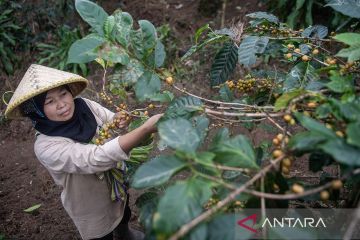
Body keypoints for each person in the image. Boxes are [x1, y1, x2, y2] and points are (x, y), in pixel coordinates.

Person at [4, 64, 162, 240]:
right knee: (102, 232)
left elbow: (108, 119)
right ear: (37, 110)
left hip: (115, 182)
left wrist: (118, 121)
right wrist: (145, 129)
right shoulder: (46, 146)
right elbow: (94, 158)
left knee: (122, 211)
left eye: (63, 94)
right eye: (49, 101)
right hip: (88, 203)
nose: (62, 104)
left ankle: (125, 234)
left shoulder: (84, 106)